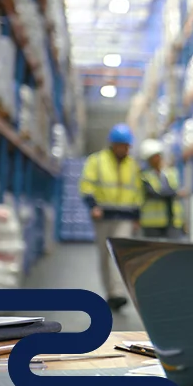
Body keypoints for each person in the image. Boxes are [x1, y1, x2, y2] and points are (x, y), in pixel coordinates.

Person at [79, 123, 142, 310]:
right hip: (103, 216)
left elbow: (138, 191)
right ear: (113, 144)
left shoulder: (133, 165)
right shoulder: (96, 161)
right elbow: (86, 185)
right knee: (104, 256)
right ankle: (110, 292)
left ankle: (119, 293)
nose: (124, 149)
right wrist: (93, 206)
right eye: (121, 145)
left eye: (127, 146)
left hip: (125, 216)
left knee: (121, 254)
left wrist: (137, 215)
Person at [138, 138, 187, 239]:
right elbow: (155, 193)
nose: (157, 159)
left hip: (173, 222)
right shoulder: (144, 177)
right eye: (153, 157)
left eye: (158, 156)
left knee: (173, 251)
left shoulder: (171, 173)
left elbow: (173, 189)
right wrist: (175, 193)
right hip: (152, 224)